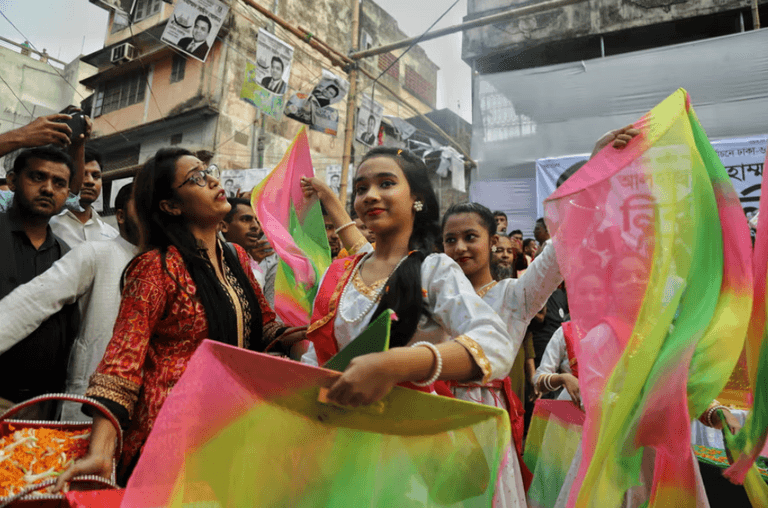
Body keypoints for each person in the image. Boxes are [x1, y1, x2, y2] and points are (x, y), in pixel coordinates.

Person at [54, 148, 305, 488]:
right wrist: (101, 450)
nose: (213, 180)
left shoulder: (237, 258)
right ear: (171, 206)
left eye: (208, 171)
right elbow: (121, 361)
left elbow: (263, 327)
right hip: (170, 438)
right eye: (197, 178)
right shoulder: (156, 269)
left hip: (230, 429)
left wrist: (317, 329)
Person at [300, 148, 532, 505]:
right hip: (340, 442)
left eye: (386, 184)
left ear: (417, 200)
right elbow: (320, 359)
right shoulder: (343, 272)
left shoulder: (434, 269)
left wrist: (397, 364)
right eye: (361, 189)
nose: (370, 196)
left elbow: (494, 343)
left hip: (409, 452)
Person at [441, 203, 562, 486]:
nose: (460, 248)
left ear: (493, 242)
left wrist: (599, 167)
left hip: (486, 417)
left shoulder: (515, 295)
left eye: (470, 237)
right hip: (437, 414)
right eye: (450, 240)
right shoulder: (434, 299)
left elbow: (561, 250)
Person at [0, 184, 139, 421]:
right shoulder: (96, 254)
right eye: (142, 201)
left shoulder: (173, 264)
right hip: (90, 406)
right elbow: (29, 305)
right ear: (121, 215)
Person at [0, 146, 80, 417]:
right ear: (12, 181)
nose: (48, 189)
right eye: (37, 177)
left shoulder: (69, 256)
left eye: (59, 183)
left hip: (44, 407)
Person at [50, 147, 118, 246]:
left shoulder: (112, 235)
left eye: (96, 176)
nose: (90, 181)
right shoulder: (47, 226)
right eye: (82, 175)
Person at [220, 197, 266, 286]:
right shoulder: (216, 262)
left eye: (257, 221)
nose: (256, 226)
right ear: (224, 226)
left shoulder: (256, 263)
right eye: (245, 219)